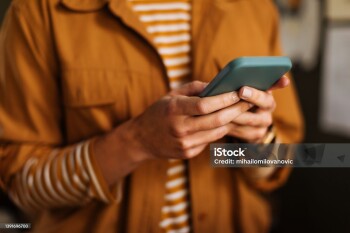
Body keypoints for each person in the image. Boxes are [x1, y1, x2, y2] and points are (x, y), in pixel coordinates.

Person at [0, 0, 304, 232]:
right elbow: (19, 182)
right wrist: (136, 142)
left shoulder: (255, 8)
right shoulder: (39, 11)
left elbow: (288, 159)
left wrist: (255, 142)